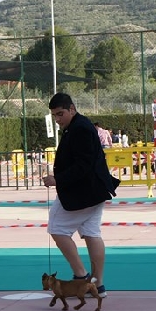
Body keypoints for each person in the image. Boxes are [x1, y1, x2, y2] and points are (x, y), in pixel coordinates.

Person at [42, 93, 120, 298]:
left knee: (57, 228)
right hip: (95, 191)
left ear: (72, 109)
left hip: (83, 193)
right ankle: (97, 285)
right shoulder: (79, 126)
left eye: (60, 114)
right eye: (54, 115)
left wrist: (58, 179)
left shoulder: (80, 129)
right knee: (92, 233)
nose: (57, 119)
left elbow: (83, 165)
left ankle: (81, 276)